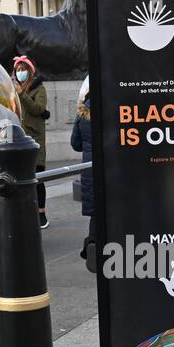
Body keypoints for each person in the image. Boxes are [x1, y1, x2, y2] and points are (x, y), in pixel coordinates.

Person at [13, 55, 50, 228]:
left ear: (30, 71)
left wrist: (23, 95)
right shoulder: (14, 88)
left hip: (35, 139)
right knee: (22, 178)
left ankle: (41, 213)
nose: (20, 73)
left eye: (23, 69)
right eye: (18, 70)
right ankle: (26, 213)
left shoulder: (38, 88)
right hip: (19, 138)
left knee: (37, 177)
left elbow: (38, 109)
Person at [71, 78, 95, 269]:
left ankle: (92, 243)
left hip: (88, 168)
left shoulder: (82, 113)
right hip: (110, 167)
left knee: (95, 211)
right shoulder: (112, 108)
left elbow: (75, 143)